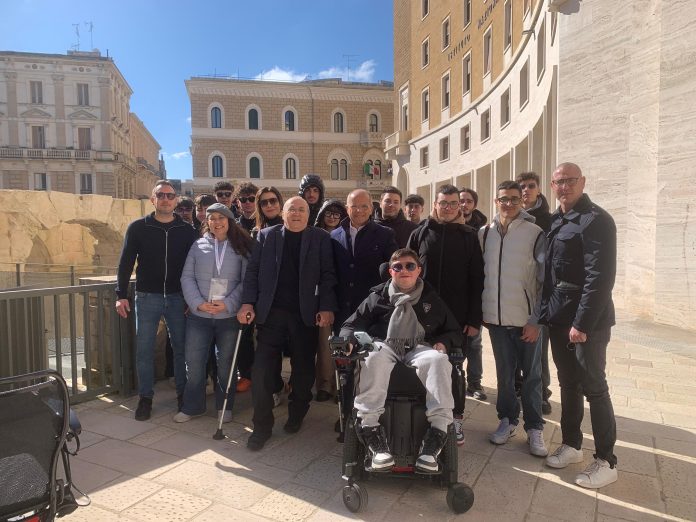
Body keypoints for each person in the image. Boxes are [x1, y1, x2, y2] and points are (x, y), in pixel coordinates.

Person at [340, 248, 461, 473]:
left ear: (418, 270)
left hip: (419, 347)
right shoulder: (378, 296)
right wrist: (348, 341)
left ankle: (436, 434)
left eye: (410, 266)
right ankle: (371, 431)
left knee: (438, 360)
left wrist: (443, 343)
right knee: (372, 356)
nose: (404, 270)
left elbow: (453, 331)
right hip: (385, 345)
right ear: (391, 271)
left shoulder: (431, 298)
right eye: (398, 267)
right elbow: (351, 324)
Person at [540, 162, 618, 489]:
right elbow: (550, 274)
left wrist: (582, 323)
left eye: (571, 180)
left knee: (594, 387)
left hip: (588, 321)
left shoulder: (597, 220)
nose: (565, 186)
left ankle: (606, 460)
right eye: (559, 181)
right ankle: (572, 444)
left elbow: (600, 277)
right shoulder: (556, 220)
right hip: (560, 317)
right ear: (553, 186)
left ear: (582, 182)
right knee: (568, 383)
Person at [238, 197, 337, 451]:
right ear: (283, 213)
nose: (296, 213)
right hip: (271, 315)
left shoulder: (320, 238)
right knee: (261, 371)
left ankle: (297, 412)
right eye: (292, 209)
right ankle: (261, 427)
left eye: (302, 209)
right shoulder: (266, 236)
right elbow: (253, 272)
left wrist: (326, 306)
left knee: (303, 371)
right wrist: (247, 303)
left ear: (308, 214)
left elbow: (328, 275)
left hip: (305, 316)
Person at [115, 180, 199, 421]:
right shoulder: (138, 227)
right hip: (146, 297)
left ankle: (183, 395)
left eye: (170, 196)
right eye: (160, 195)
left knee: (181, 349)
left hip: (178, 297)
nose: (165, 199)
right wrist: (121, 295)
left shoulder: (186, 230)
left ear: (176, 200)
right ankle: (145, 398)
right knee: (144, 351)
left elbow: (195, 266)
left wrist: (193, 298)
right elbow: (126, 262)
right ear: (153, 199)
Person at [408, 184, 484, 446]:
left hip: (457, 319)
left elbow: (477, 280)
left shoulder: (469, 236)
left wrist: (474, 319)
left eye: (453, 203)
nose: (449, 208)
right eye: (444, 203)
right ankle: (425, 416)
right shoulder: (420, 233)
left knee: (454, 370)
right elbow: (405, 272)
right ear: (435, 205)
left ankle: (456, 418)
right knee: (422, 366)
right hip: (421, 317)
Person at [479, 181, 548, 457]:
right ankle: (507, 420)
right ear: (496, 202)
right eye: (504, 199)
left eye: (514, 199)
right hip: (496, 320)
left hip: (525, 320)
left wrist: (536, 320)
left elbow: (544, 281)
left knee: (532, 376)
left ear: (522, 201)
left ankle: (534, 427)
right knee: (505, 375)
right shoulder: (485, 233)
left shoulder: (535, 233)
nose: (509, 204)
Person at [175, 203, 253, 423]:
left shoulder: (241, 246)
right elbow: (187, 277)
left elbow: (246, 281)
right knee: (194, 362)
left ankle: (224, 406)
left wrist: (228, 303)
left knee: (226, 364)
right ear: (207, 222)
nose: (216, 222)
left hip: (228, 317)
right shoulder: (198, 245)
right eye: (212, 218)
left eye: (221, 218)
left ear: (229, 221)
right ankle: (193, 406)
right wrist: (198, 303)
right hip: (199, 316)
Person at [331, 189, 397, 330]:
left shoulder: (385, 234)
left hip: (372, 311)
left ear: (371, 209)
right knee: (341, 344)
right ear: (347, 208)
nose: (359, 210)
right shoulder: (334, 236)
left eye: (364, 206)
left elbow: (393, 271)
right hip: (342, 312)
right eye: (354, 206)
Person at [516, 171, 553, 414]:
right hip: (516, 294)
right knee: (517, 347)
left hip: (540, 294)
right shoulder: (513, 218)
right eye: (522, 186)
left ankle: (542, 393)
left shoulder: (549, 220)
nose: (526, 190)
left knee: (539, 349)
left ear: (539, 189)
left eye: (531, 186)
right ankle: (520, 387)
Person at [313, 199, 348, 402]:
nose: (333, 217)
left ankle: (341, 385)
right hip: (322, 295)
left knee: (342, 340)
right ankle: (325, 384)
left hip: (343, 294)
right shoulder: (315, 235)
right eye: (329, 213)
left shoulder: (346, 235)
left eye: (337, 213)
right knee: (324, 342)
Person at [458, 187, 488, 402]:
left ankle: (475, 382)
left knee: (475, 342)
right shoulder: (448, 226)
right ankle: (457, 380)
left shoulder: (484, 231)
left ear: (474, 205)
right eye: (461, 200)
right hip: (455, 293)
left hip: (476, 291)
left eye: (468, 201)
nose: (464, 204)